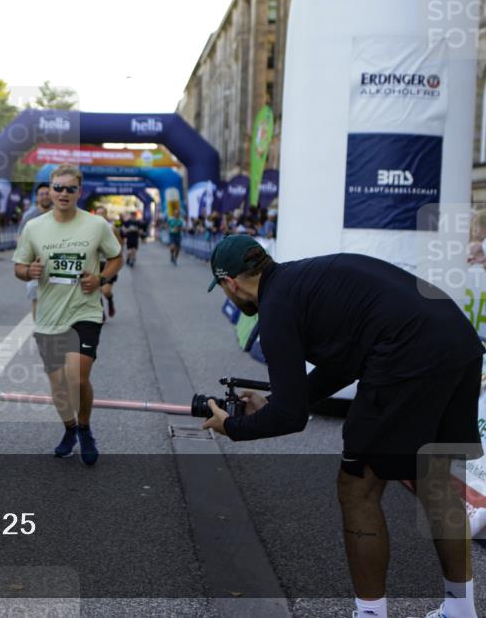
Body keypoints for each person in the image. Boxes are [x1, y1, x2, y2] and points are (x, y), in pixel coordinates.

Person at [202, 235, 484, 618]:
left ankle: (369, 614)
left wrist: (231, 426)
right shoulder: (302, 280)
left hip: (408, 353)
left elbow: (291, 417)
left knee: (358, 487)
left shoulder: (276, 308)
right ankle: (461, 609)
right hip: (457, 340)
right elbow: (342, 362)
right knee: (432, 479)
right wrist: (275, 401)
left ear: (230, 283)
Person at [13, 165, 122, 465]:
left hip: (84, 311)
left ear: (79, 192)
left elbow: (116, 257)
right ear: (48, 189)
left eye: (69, 189)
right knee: (58, 383)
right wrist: (28, 272)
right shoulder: (34, 227)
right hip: (48, 316)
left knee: (76, 376)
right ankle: (69, 429)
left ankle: (85, 428)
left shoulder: (96, 225)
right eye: (57, 188)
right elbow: (19, 267)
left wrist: (100, 279)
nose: (62, 193)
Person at [18, 183, 53, 319]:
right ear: (37, 198)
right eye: (41, 194)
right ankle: (39, 332)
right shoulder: (30, 216)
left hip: (56, 264)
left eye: (47, 193)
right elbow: (21, 240)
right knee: (37, 300)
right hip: (36, 265)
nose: (45, 196)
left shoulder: (58, 213)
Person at [94, 206, 123, 318]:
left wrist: (116, 257)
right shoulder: (90, 228)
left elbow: (120, 244)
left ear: (106, 215)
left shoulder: (112, 228)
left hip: (108, 264)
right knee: (96, 291)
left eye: (103, 213)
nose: (100, 215)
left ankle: (110, 299)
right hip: (95, 264)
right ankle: (101, 313)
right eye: (98, 213)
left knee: (105, 291)